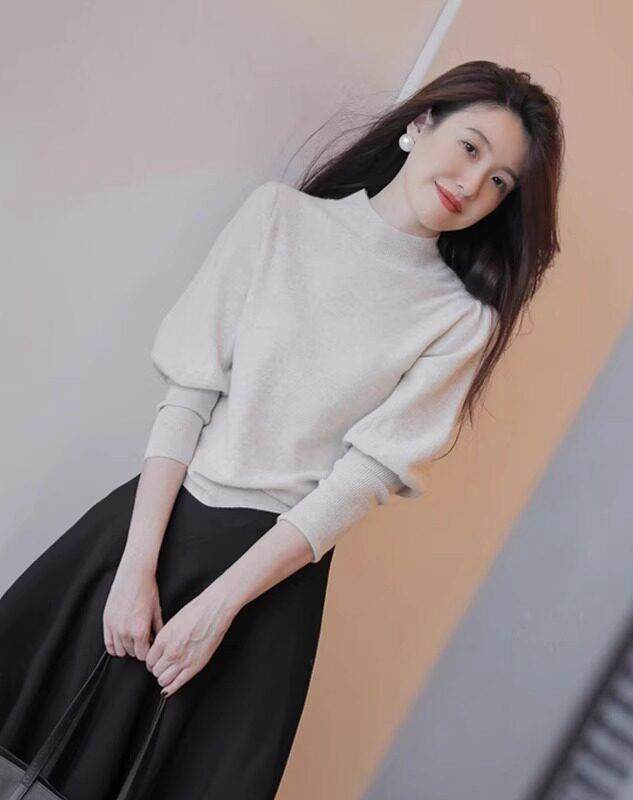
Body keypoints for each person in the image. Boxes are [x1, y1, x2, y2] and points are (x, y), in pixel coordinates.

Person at [0, 60, 564, 799]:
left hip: (264, 588)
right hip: (149, 530)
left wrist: (219, 608)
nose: (473, 183)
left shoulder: (458, 322)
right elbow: (189, 393)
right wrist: (135, 569)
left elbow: (360, 481)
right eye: (470, 147)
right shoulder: (279, 219)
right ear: (420, 124)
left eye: (499, 181)